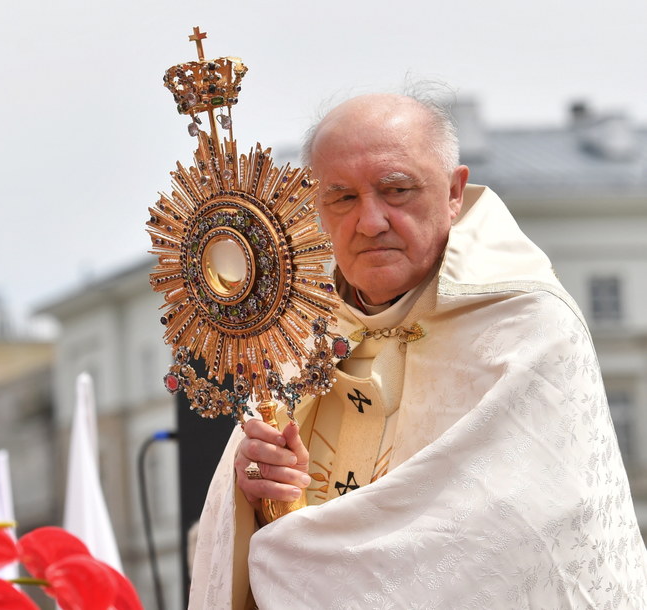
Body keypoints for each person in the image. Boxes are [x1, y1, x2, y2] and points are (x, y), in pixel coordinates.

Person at [188, 90, 647, 608]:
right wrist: (260, 494)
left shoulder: (528, 327)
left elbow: (525, 546)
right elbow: (260, 544)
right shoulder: (297, 340)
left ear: (455, 192)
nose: (370, 221)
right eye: (342, 198)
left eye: (397, 190)